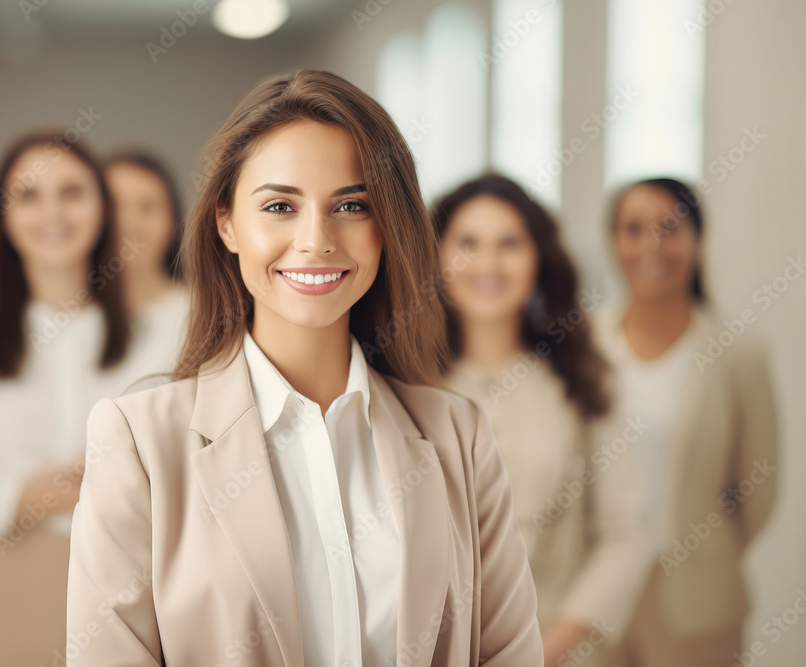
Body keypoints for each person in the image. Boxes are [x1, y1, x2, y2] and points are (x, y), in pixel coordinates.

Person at [66, 69, 544, 666]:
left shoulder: (459, 435)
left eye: (350, 205)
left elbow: (508, 653)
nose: (316, 239)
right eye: (279, 206)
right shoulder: (137, 440)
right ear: (227, 223)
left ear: (387, 227)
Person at [0, 132, 178, 667]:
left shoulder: (158, 335)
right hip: (7, 581)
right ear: (2, 216)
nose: (52, 212)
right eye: (29, 195)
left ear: (102, 206)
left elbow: (173, 476)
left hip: (131, 585)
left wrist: (47, 490)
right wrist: (71, 487)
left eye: (72, 192)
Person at [432, 174, 650, 666]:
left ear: (537, 258)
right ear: (436, 258)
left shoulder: (584, 380)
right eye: (468, 243)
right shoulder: (398, 384)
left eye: (509, 244)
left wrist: (545, 650)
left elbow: (627, 532)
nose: (488, 263)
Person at [594, 177, 778, 666]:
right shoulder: (584, 346)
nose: (651, 244)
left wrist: (708, 553)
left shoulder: (738, 355)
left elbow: (758, 488)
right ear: (615, 240)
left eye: (670, 228)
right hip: (596, 595)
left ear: (697, 238)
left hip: (697, 601)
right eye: (633, 229)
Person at [104, 151, 189, 373]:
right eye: (113, 206)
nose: (128, 224)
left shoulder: (203, 317)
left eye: (147, 207)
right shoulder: (70, 318)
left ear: (173, 224)